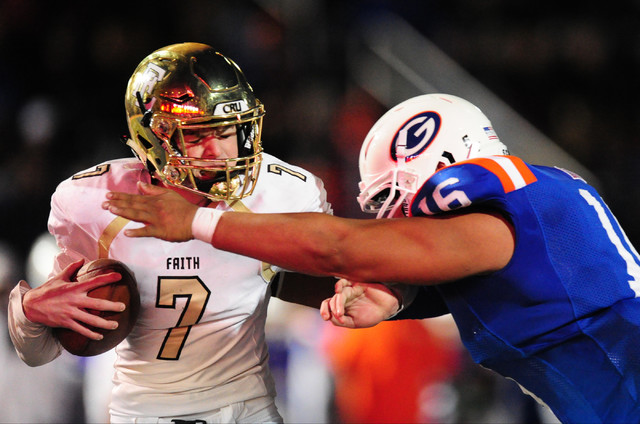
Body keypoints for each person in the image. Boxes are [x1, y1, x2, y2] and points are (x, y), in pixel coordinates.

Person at [103, 93, 640, 423]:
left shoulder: (508, 210)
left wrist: (200, 223)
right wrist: (394, 296)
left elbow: (340, 246)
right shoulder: (507, 233)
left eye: (391, 201)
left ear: (445, 166)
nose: (393, 220)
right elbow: (331, 273)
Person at [8, 42, 334, 423]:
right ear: (154, 138)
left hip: (247, 412)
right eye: (197, 135)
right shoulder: (94, 202)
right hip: (142, 414)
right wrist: (29, 311)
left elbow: (338, 280)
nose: (219, 150)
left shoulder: (283, 192)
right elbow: (40, 352)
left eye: (228, 130)